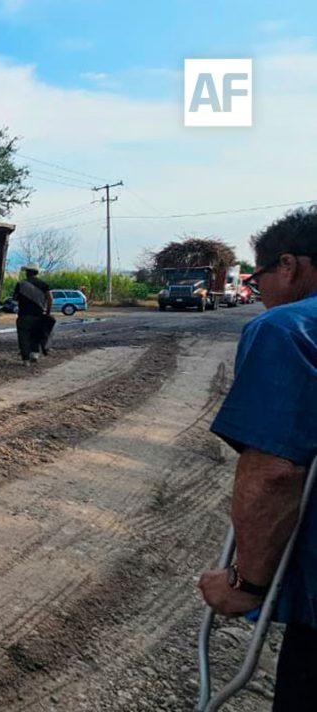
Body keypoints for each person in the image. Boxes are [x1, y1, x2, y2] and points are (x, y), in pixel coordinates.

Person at [198, 207, 317, 712]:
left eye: (260, 275)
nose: (257, 287)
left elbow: (275, 471)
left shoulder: (286, 329)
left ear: (287, 266)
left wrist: (247, 584)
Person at [13, 264, 53, 366]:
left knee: (23, 337)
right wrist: (47, 312)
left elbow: (15, 298)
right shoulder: (44, 285)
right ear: (36, 273)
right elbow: (50, 299)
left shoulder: (21, 284)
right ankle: (34, 354)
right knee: (36, 335)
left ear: (27, 273)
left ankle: (25, 360)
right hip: (38, 315)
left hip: (24, 315)